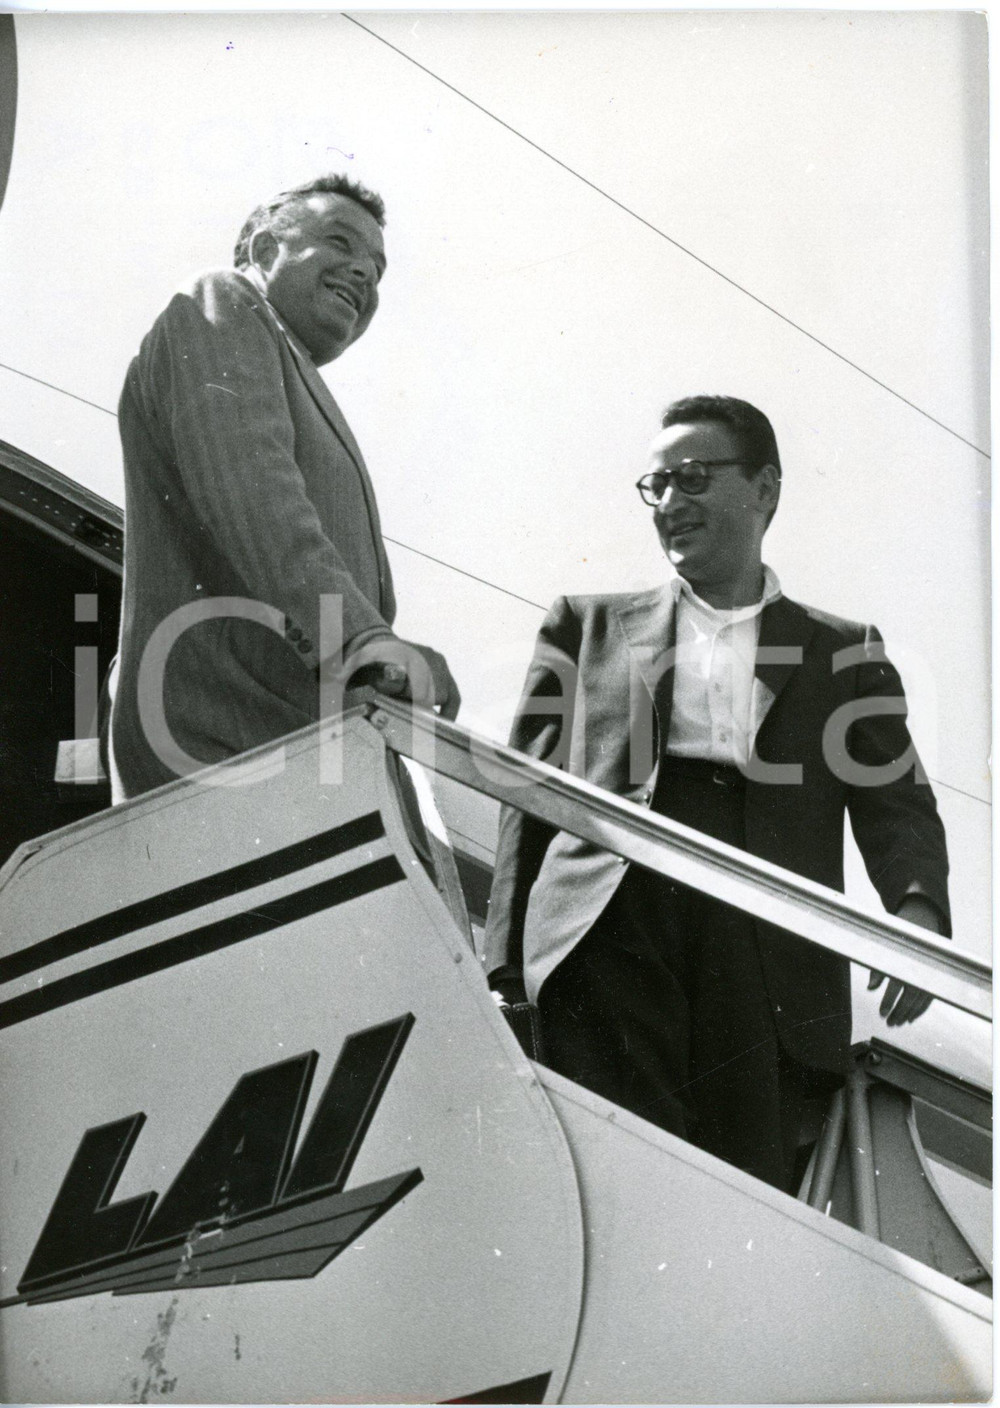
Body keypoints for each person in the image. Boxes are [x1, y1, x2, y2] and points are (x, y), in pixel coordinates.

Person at [482, 395, 950, 1192]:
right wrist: (502, 970)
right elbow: (527, 799)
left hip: (761, 931)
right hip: (608, 913)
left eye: (693, 479)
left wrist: (918, 916)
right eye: (656, 485)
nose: (669, 503)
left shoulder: (844, 650)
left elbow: (894, 798)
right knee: (613, 1170)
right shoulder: (584, 625)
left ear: (764, 488)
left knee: (736, 1189)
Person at [110, 174, 459, 798]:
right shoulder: (221, 301)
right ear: (264, 250)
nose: (364, 275)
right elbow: (255, 496)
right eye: (340, 243)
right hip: (228, 744)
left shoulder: (289, 366)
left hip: (299, 750)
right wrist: (365, 637)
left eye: (377, 269)